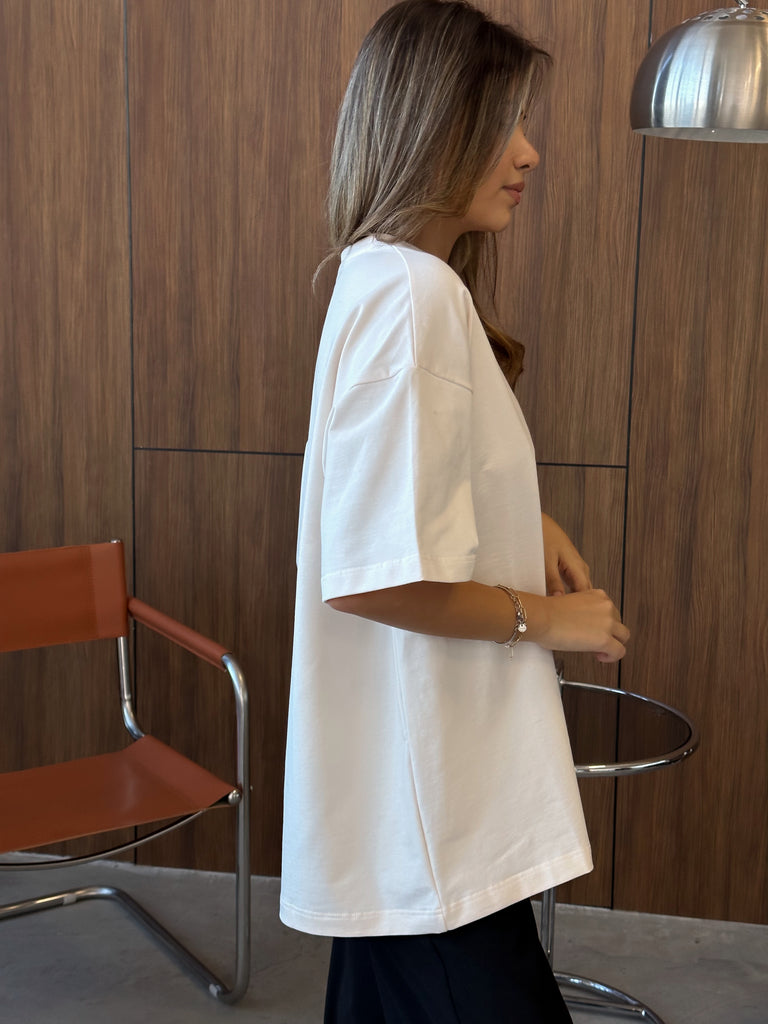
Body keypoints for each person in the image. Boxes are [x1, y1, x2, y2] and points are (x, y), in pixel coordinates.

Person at [280, 2, 630, 1021]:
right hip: (435, 811)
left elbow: (396, 501)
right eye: (504, 123)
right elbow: (374, 578)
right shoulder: (414, 297)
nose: (529, 152)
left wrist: (521, 521)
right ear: (435, 126)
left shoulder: (383, 277)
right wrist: (550, 620)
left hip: (411, 807)